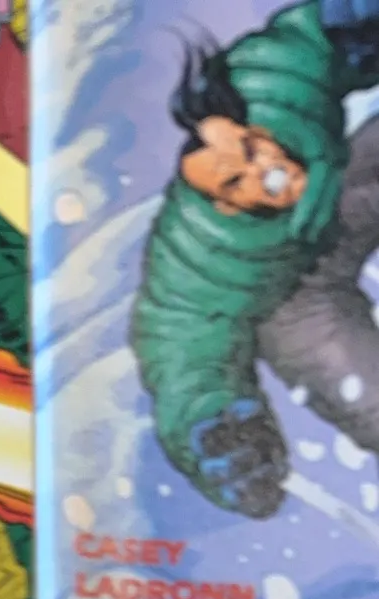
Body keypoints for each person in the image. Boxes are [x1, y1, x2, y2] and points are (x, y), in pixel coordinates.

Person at [132, 0, 379, 517]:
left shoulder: (271, 98)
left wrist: (345, 23)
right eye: (236, 182)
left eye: (251, 151)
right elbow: (180, 330)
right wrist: (213, 421)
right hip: (296, 296)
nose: (264, 171)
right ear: (225, 204)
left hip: (344, 192)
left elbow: (301, 45)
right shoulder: (209, 240)